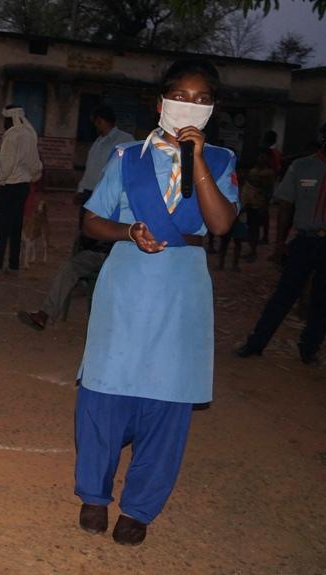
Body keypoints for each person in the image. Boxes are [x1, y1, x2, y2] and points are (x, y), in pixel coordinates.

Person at [74, 58, 238, 546]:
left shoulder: (224, 161)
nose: (192, 106)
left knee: (168, 396)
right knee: (105, 389)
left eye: (203, 98)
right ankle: (94, 496)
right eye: (182, 96)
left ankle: (139, 507)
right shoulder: (127, 157)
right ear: (161, 101)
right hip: (125, 283)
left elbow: (222, 224)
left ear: (213, 108)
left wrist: (200, 160)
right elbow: (91, 222)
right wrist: (127, 230)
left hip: (182, 289)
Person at [235, 117, 326, 366]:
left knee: (324, 299)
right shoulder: (302, 167)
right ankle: (256, 343)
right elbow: (285, 206)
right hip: (304, 241)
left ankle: (309, 349)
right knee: (283, 295)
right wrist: (279, 243)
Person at [17, 106, 131, 330]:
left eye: (96, 122)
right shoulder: (98, 144)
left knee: (108, 267)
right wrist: (82, 191)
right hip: (96, 214)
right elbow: (90, 172)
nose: (95, 126)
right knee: (74, 262)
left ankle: (109, 319)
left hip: (123, 253)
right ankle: (45, 314)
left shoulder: (125, 144)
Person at [0, 105, 43, 272]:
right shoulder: (30, 134)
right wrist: (34, 176)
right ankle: (14, 264)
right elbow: (36, 163)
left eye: (5, 120)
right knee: (16, 226)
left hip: (9, 186)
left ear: (9, 118)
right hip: (24, 187)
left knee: (1, 227)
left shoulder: (13, 136)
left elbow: (6, 163)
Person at [239, 149, 277, 261]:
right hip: (249, 203)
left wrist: (264, 205)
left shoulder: (268, 173)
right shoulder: (253, 171)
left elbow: (266, 189)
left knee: (254, 228)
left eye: (263, 157)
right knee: (250, 228)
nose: (261, 159)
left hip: (258, 203)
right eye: (260, 156)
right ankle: (251, 249)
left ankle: (253, 252)